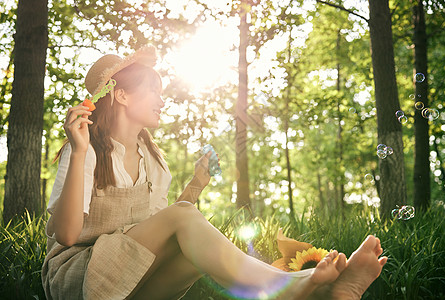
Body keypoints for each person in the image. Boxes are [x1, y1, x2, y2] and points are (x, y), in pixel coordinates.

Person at [41, 45, 387, 300]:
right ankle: (291, 286)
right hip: (82, 278)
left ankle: (319, 293)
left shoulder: (153, 158)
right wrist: (81, 150)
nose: (162, 101)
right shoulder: (85, 148)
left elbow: (160, 227)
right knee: (187, 223)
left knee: (194, 255)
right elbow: (67, 236)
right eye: (154, 91)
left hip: (129, 279)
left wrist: (197, 183)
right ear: (122, 96)